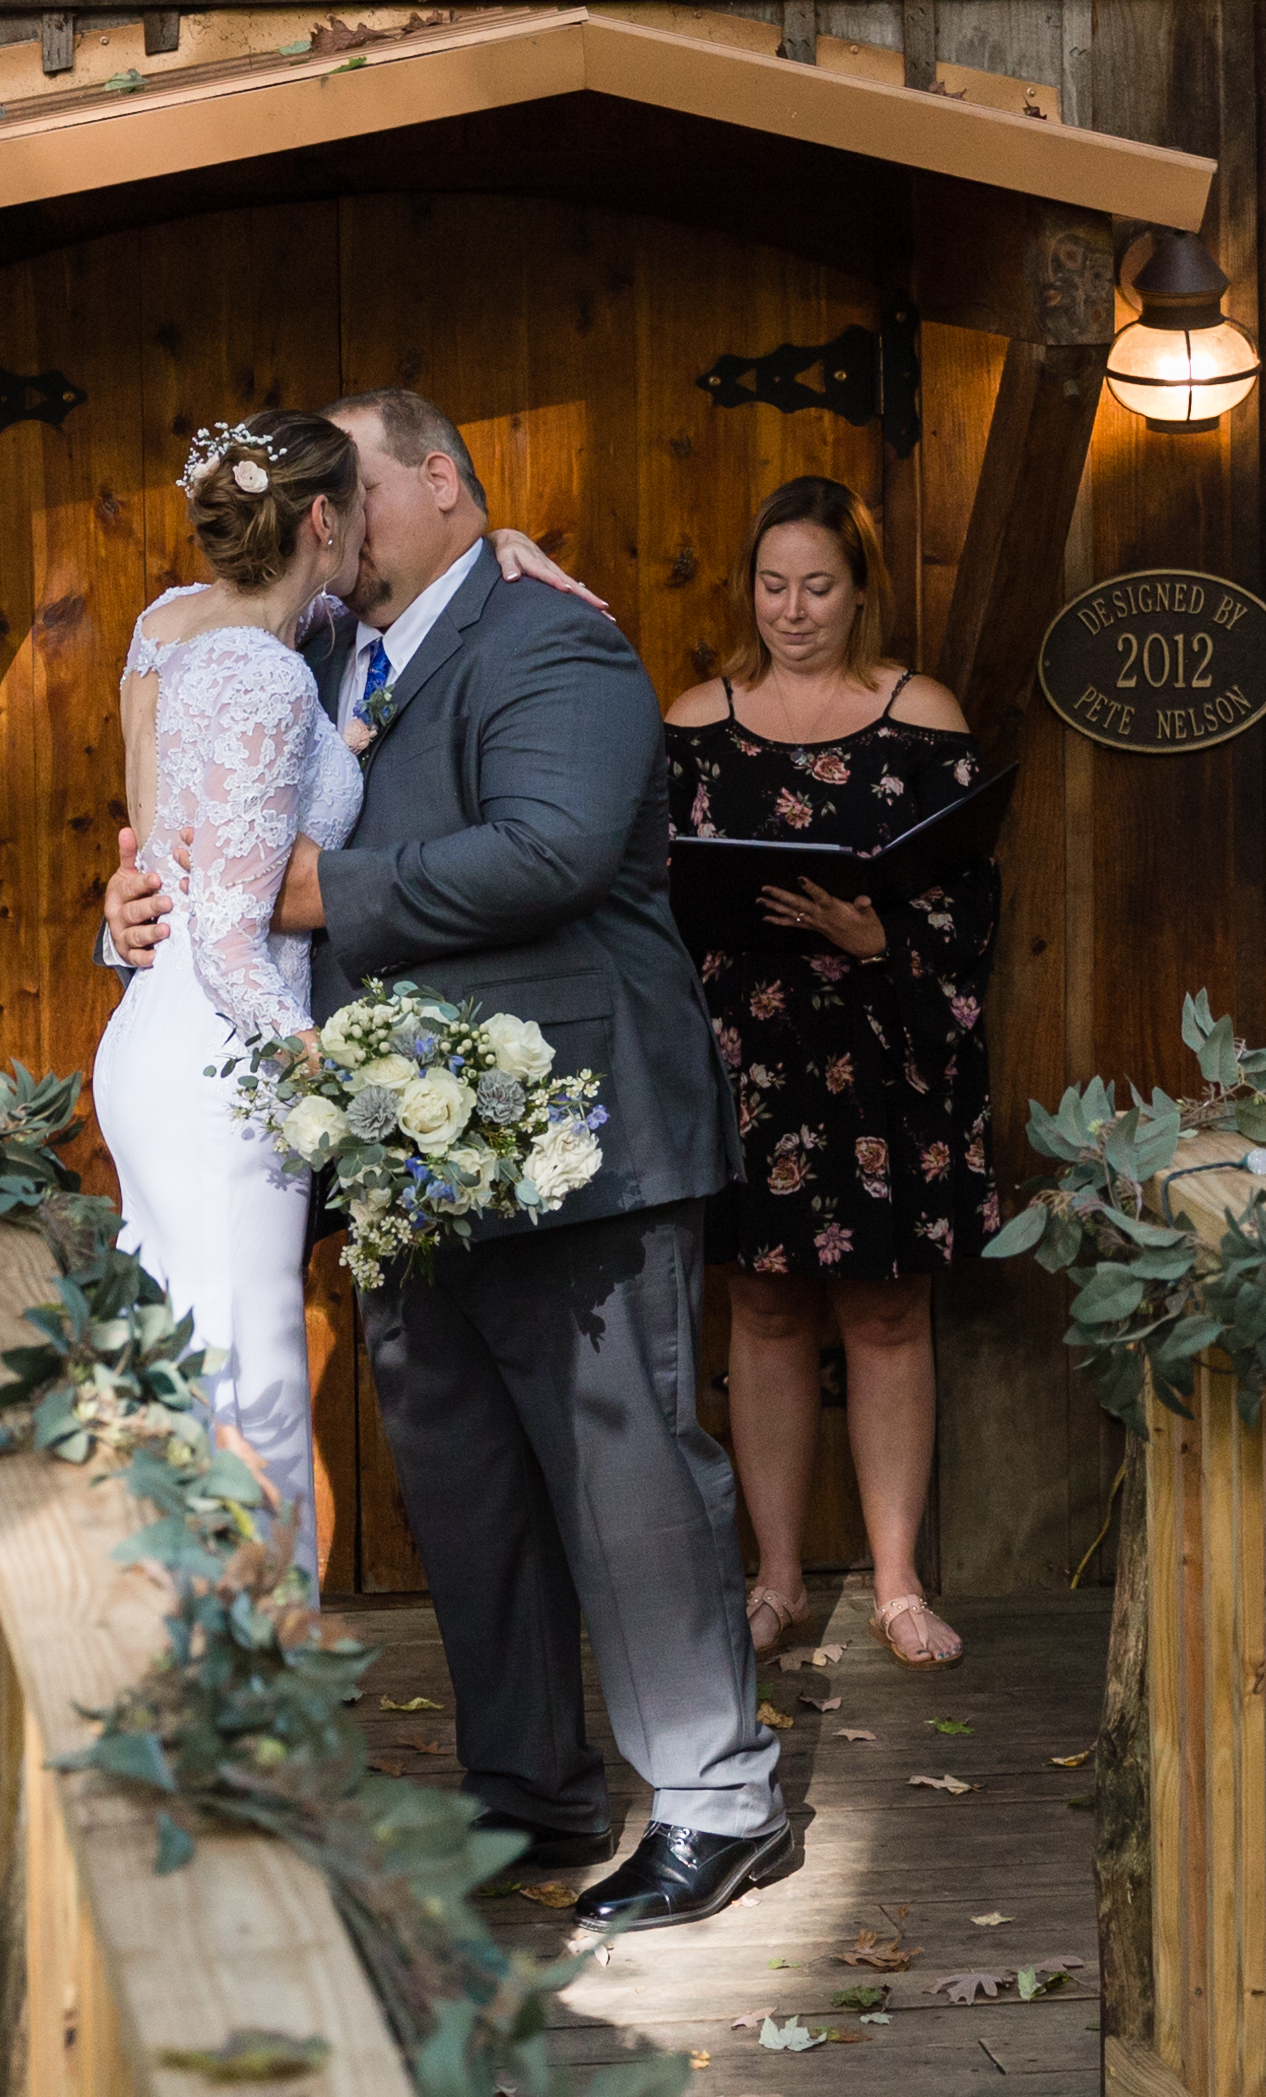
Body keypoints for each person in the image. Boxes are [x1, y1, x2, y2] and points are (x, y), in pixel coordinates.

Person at [110, 391, 790, 1936]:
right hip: (405, 1145)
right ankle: (529, 1785)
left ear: (437, 484)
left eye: (349, 485)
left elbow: (552, 845)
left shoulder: (552, 641)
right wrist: (145, 891)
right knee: (464, 1480)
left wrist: (310, 892)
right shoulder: (327, 651)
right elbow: (195, 738)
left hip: (576, 1129)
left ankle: (716, 1796)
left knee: (626, 1475)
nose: (325, 515)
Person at [663, 478, 994, 1670]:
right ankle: (780, 1580)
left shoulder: (924, 717)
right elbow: (653, 902)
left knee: (888, 1311)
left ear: (860, 591)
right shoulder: (697, 721)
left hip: (887, 1057)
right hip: (748, 1057)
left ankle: (899, 1585)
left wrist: (880, 942)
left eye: (818, 586)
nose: (793, 609)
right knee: (760, 1307)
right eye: (772, 585)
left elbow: (972, 906)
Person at [91, 408, 368, 1547]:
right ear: (322, 519)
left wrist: (509, 547)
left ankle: (178, 1681)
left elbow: (161, 853)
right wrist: (329, 1070)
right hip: (226, 1055)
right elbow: (230, 934)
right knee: (248, 1396)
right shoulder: (261, 676)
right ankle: (260, 1709)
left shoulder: (190, 643)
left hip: (165, 1038)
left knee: (182, 1388)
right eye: (357, 513)